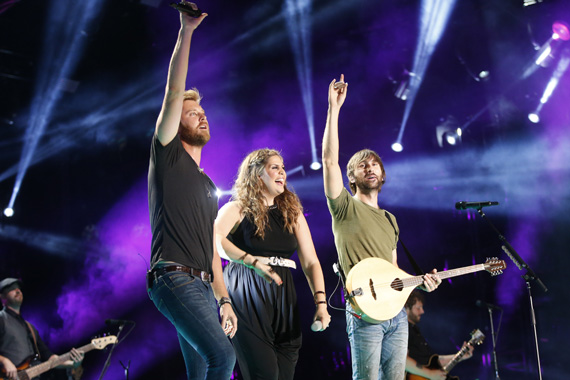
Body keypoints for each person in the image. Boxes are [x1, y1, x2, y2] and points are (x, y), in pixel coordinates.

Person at [321, 74, 442, 380]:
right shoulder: (344, 206)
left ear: (383, 173)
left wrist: (422, 282)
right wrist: (333, 109)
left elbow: (394, 271)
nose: (370, 167)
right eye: (362, 165)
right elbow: (329, 159)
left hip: (397, 316)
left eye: (374, 163)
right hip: (365, 314)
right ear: (352, 177)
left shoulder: (391, 220)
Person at [146, 3, 237, 379]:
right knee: (224, 359)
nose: (200, 114)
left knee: (200, 372)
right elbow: (172, 92)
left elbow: (211, 250)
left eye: (202, 110)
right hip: (173, 276)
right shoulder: (166, 155)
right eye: (190, 111)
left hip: (200, 284)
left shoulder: (207, 183)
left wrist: (225, 299)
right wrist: (186, 32)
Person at [215, 148, 331, 380]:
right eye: (274, 167)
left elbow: (311, 262)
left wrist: (321, 303)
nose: (282, 173)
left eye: (283, 168)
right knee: (264, 373)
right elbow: (214, 242)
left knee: (285, 371)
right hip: (246, 289)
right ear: (257, 174)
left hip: (283, 292)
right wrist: (250, 261)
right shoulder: (235, 209)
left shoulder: (292, 213)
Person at [0, 278, 84, 380]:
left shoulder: (30, 327)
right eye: (11, 289)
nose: (17, 291)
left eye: (18, 288)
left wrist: (73, 364)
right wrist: (4, 361)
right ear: (2, 297)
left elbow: (49, 357)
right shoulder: (1, 319)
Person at [405, 291, 473, 380]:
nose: (422, 311)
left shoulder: (415, 330)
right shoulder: (403, 330)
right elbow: (402, 361)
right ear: (407, 308)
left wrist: (460, 355)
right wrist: (430, 374)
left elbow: (434, 361)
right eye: (418, 308)